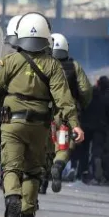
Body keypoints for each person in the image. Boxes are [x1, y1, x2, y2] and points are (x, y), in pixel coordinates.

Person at [0, 13, 83, 217]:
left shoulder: (10, 61)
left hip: (12, 124)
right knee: (34, 171)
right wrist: (74, 124)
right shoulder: (53, 66)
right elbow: (64, 98)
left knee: (11, 168)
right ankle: (27, 216)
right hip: (40, 126)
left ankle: (13, 197)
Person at [43, 33, 91, 193]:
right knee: (63, 147)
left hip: (46, 111)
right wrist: (80, 105)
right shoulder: (74, 66)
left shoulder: (43, 64)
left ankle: (42, 180)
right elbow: (85, 89)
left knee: (45, 145)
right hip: (67, 114)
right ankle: (58, 166)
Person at [78, 76, 109, 184]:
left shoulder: (90, 94)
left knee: (84, 151)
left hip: (86, 126)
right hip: (100, 128)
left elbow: (81, 107)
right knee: (97, 152)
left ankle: (83, 173)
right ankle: (97, 174)